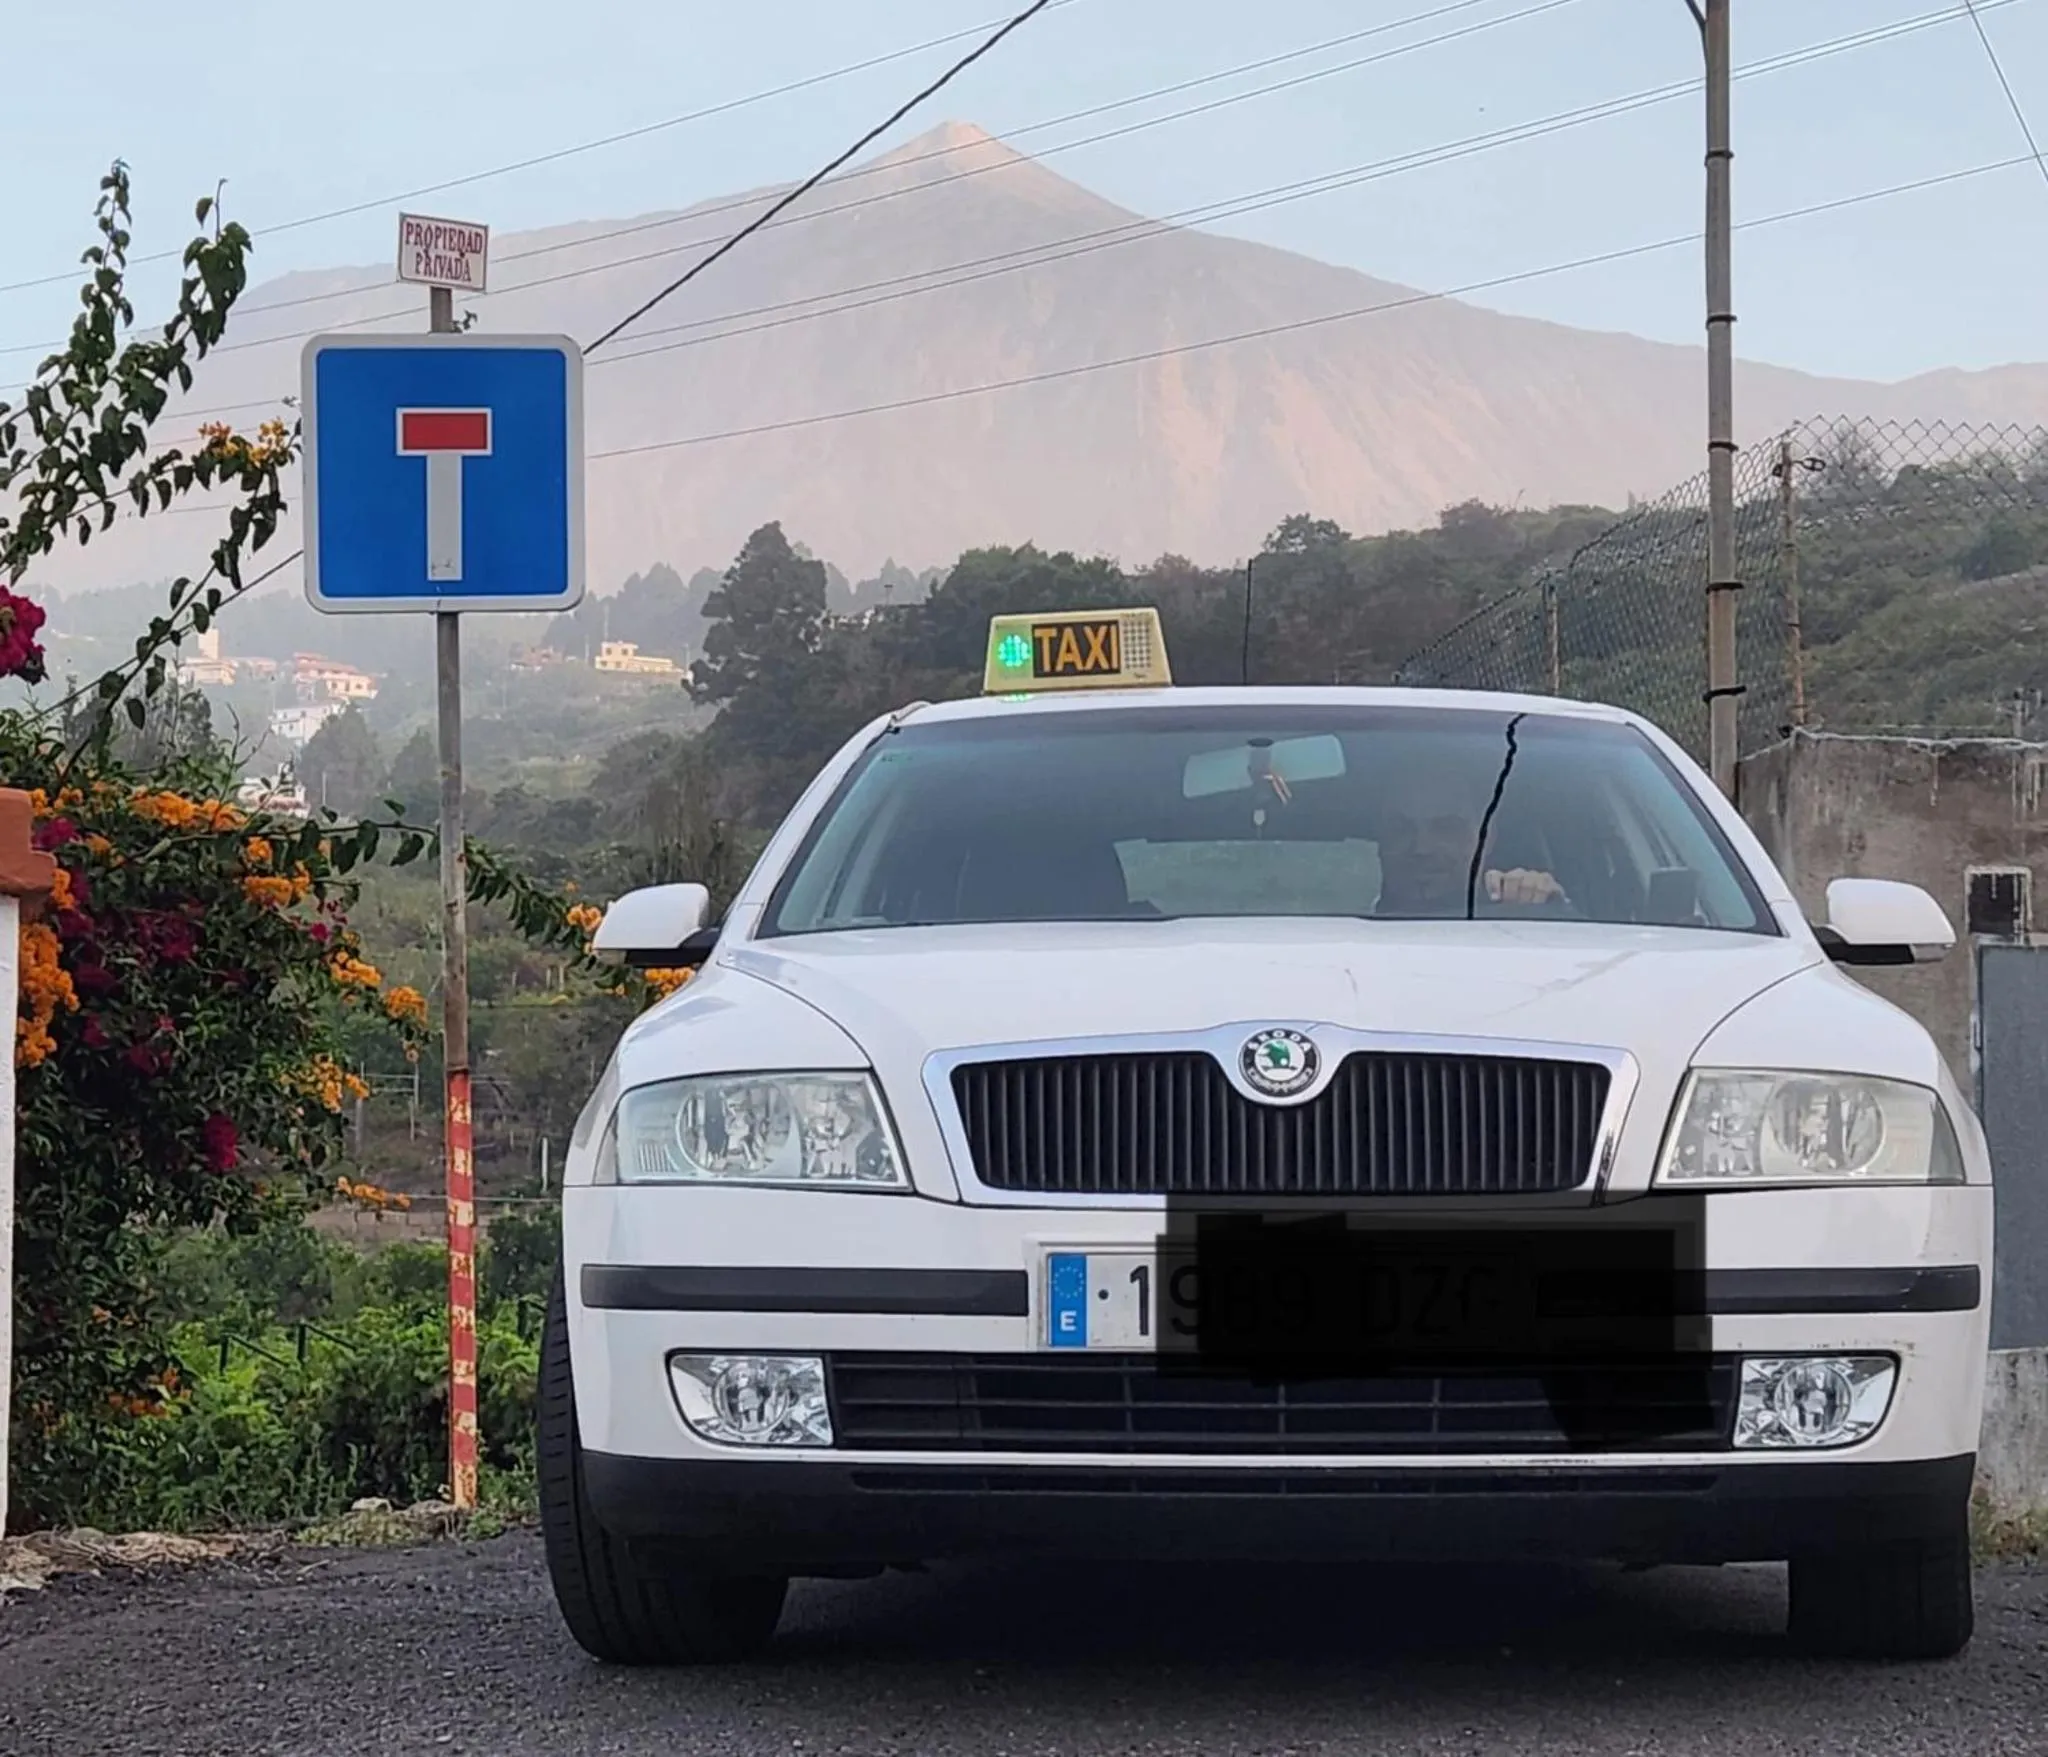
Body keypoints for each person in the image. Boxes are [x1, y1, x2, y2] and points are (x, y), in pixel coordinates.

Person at [1370, 761, 1569, 918]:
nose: (1422, 848)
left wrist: (1548, 905)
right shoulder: (1340, 929)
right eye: (1402, 829)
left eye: (1446, 829)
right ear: (1381, 838)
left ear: (1487, 838)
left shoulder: (1523, 923)